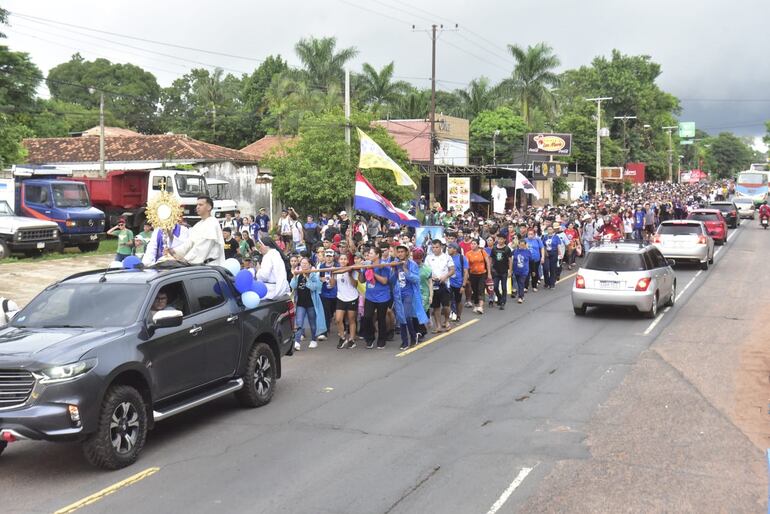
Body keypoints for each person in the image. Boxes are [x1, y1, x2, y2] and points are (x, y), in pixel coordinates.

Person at [168, 196, 225, 266]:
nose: (197, 207)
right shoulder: (198, 225)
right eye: (197, 205)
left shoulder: (212, 223)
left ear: (209, 207)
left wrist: (186, 260)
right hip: (199, 266)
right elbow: (189, 243)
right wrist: (174, 251)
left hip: (211, 267)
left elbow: (201, 248)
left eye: (200, 205)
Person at [392, 244, 429, 350]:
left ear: (406, 253)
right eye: (398, 252)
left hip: (409, 294)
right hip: (399, 294)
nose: (400, 254)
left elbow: (416, 279)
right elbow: (392, 280)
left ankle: (412, 336)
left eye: (402, 252)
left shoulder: (412, 264)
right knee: (401, 317)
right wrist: (394, 270)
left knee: (406, 316)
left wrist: (405, 270)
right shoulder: (396, 263)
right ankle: (405, 341)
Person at [358, 246, 392, 349]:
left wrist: (372, 272)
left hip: (383, 297)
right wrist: (360, 271)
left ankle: (382, 340)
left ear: (377, 255)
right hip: (370, 296)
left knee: (381, 319)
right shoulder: (368, 264)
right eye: (368, 254)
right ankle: (370, 338)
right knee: (367, 317)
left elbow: (385, 281)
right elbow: (363, 280)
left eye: (371, 253)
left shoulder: (384, 265)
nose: (369, 255)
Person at [290, 257, 326, 351]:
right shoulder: (298, 275)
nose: (304, 265)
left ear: (310, 265)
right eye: (302, 263)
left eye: (306, 263)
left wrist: (307, 278)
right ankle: (297, 342)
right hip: (300, 303)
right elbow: (292, 286)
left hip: (311, 303)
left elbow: (315, 287)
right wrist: (294, 277)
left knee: (312, 323)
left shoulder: (314, 275)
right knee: (299, 323)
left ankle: (314, 340)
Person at [329, 252, 359, 349]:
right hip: (341, 298)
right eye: (341, 259)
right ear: (338, 261)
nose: (343, 261)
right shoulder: (336, 270)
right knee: (338, 319)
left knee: (351, 319)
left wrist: (349, 274)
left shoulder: (352, 270)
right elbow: (332, 285)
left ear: (347, 261)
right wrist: (332, 274)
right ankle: (342, 337)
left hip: (352, 298)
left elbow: (355, 284)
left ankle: (352, 339)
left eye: (345, 259)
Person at [424, 239, 455, 332]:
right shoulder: (428, 258)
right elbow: (426, 270)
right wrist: (431, 276)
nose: (435, 249)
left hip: (444, 284)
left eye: (437, 247)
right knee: (436, 306)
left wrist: (445, 276)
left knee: (446, 306)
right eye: (433, 247)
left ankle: (446, 321)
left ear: (441, 247)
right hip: (433, 284)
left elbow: (452, 270)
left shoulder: (447, 257)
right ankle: (438, 325)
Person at [465, 238, 491, 315]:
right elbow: (466, 265)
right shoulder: (468, 254)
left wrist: (489, 273)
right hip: (473, 274)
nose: (472, 245)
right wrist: (466, 275)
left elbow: (488, 263)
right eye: (471, 244)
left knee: (481, 289)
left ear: (478, 245)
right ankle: (476, 305)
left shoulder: (483, 252)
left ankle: (481, 306)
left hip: (482, 274)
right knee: (475, 290)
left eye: (474, 244)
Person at [318, 249, 338, 341]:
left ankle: (344, 329)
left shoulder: (337, 265)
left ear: (333, 257)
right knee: (325, 312)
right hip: (325, 293)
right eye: (327, 256)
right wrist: (321, 279)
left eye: (330, 256)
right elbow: (319, 277)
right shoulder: (321, 266)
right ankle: (324, 332)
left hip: (336, 293)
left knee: (334, 312)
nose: (329, 258)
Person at [490, 234, 512, 310]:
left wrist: (510, 270)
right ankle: (499, 297)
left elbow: (510, 260)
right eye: (499, 239)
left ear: (504, 240)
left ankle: (503, 302)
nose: (500, 241)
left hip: (504, 271)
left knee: (503, 287)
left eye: (501, 239)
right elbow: (491, 259)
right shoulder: (494, 248)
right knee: (495, 286)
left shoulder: (507, 249)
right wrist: (490, 268)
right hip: (496, 270)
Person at [447, 243, 468, 322]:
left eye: (450, 248)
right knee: (448, 300)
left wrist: (463, 285)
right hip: (449, 283)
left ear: (455, 249)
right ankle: (450, 314)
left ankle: (458, 316)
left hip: (458, 283)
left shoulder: (462, 258)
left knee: (458, 301)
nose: (448, 249)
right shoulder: (447, 258)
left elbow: (466, 272)